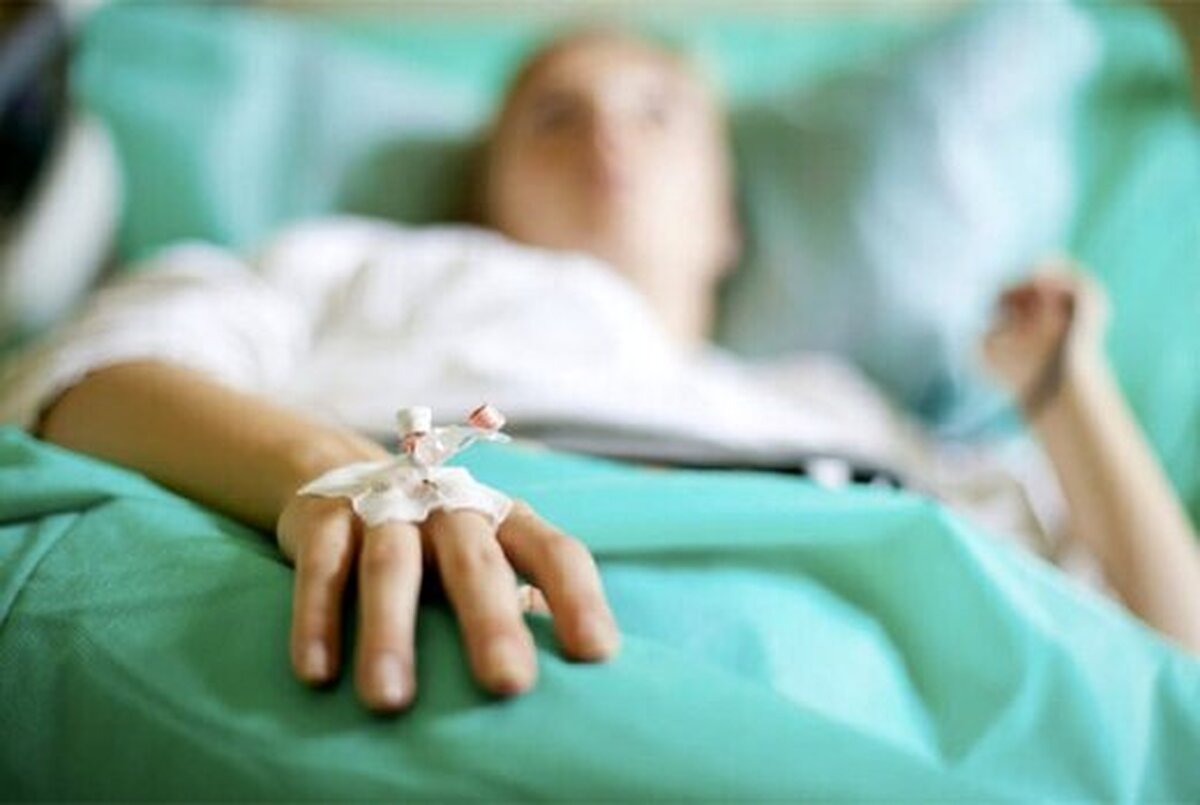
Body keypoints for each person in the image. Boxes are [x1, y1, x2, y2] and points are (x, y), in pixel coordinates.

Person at [2, 29, 1198, 716]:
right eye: (553, 117)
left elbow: (1168, 669)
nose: (609, 134)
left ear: (728, 219)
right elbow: (86, 384)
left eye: (659, 111)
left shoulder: (835, 411)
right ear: (484, 196)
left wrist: (1067, 394)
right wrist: (357, 477)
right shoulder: (368, 267)